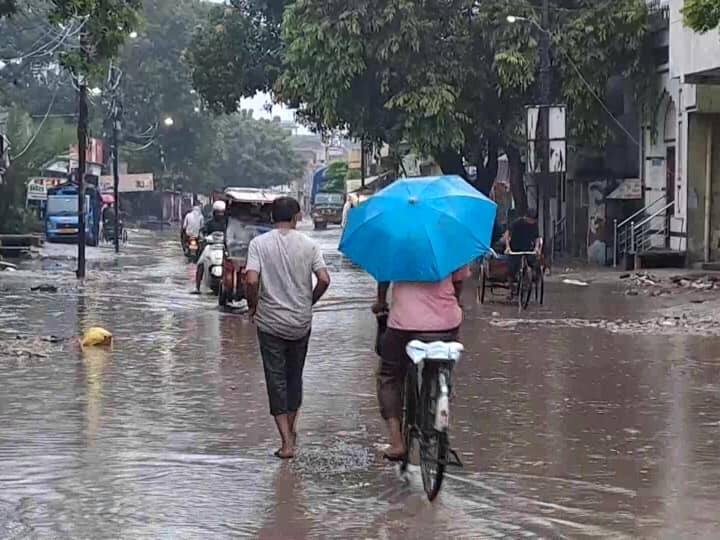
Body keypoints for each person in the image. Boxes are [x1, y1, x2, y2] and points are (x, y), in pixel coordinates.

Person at [245, 197, 331, 459]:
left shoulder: (259, 244)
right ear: (297, 217)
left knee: (276, 379)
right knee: (295, 377)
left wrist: (253, 306)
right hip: (300, 323)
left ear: (272, 217)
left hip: (270, 323)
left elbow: (250, 280)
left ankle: (286, 442)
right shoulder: (310, 244)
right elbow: (325, 280)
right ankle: (291, 430)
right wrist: (308, 302)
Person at [372, 266, 471, 461]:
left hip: (404, 325)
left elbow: (384, 276)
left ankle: (397, 442)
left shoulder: (398, 242)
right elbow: (458, 283)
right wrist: (455, 301)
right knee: (440, 362)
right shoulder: (451, 240)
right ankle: (442, 388)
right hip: (446, 325)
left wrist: (381, 302)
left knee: (389, 375)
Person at [194, 201, 227, 293]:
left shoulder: (227, 223)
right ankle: (197, 287)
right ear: (214, 212)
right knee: (200, 263)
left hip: (224, 247)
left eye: (222, 212)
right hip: (211, 246)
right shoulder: (209, 223)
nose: (220, 214)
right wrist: (202, 237)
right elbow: (202, 231)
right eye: (218, 212)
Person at [505, 208, 541, 282]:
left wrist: (537, 248)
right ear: (526, 217)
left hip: (528, 248)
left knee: (534, 262)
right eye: (530, 220)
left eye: (533, 220)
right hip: (515, 248)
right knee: (512, 266)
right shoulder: (517, 223)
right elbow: (507, 234)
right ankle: (512, 281)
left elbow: (537, 237)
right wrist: (508, 247)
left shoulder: (534, 225)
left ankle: (533, 277)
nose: (531, 222)